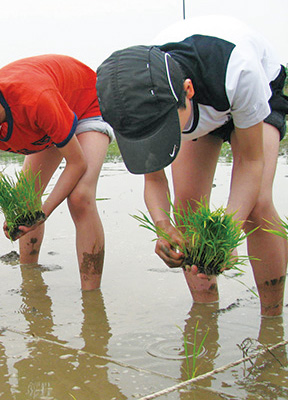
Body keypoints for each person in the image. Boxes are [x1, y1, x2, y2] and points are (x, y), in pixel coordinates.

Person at [96, 16, 288, 316]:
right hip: (197, 102)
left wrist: (228, 231)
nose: (156, 143)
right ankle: (205, 317)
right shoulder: (139, 98)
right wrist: (163, 227)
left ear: (187, 91)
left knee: (258, 206)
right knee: (187, 209)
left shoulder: (240, 71)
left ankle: (272, 320)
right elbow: (154, 180)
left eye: (163, 132)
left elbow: (251, 162)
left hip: (248, 88)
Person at [0, 54, 114, 290]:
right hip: (52, 119)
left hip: (86, 103)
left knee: (79, 198)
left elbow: (77, 163)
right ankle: (31, 284)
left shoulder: (34, 100)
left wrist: (43, 213)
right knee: (24, 204)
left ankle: (91, 301)